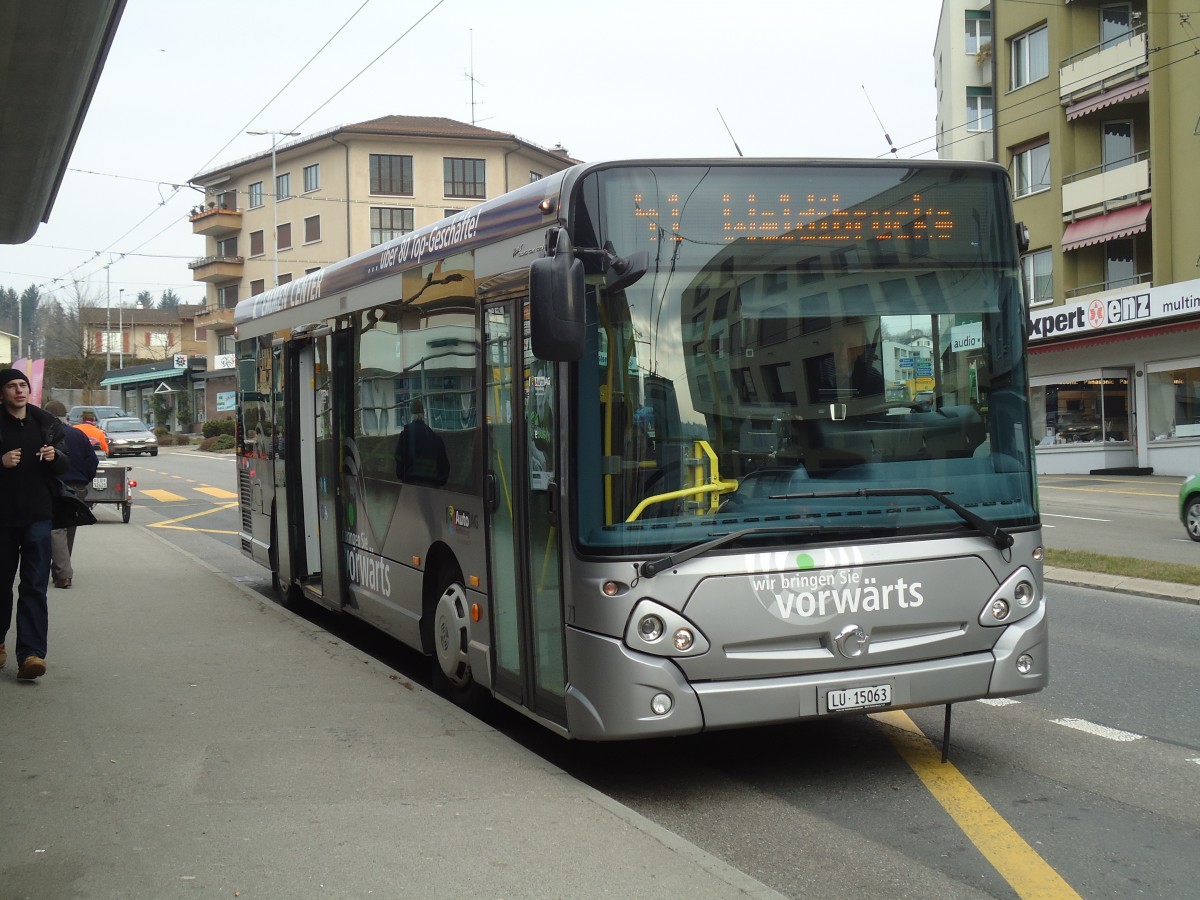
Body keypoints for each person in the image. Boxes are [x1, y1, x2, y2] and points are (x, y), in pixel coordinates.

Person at [0, 368, 70, 681]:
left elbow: (67, 464)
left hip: (38, 518)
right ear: (2, 393)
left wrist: (56, 456)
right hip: (2, 519)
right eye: (12, 386)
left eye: (23, 385)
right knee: (0, 586)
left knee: (34, 587)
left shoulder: (47, 424)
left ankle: (30, 654)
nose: (19, 391)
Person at [43, 400, 99, 589]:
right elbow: (92, 461)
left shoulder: (46, 435)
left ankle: (63, 573)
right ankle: (60, 570)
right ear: (65, 415)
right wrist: (84, 480)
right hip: (78, 486)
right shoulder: (78, 434)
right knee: (70, 526)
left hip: (56, 486)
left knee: (56, 529)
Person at [394, 398, 449, 486]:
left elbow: (399, 458)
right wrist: (438, 482)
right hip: (431, 487)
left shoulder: (405, 435)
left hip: (410, 485)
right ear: (423, 415)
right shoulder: (435, 438)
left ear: (412, 415)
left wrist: (402, 476)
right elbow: (444, 465)